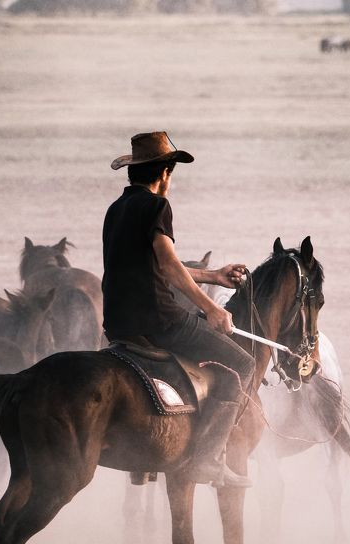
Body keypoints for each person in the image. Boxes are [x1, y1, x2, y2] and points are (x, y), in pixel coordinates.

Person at [103, 131, 255, 488]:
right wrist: (211, 309)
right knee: (242, 365)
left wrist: (213, 277)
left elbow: (155, 265)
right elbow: (170, 267)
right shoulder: (158, 206)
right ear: (165, 173)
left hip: (117, 323)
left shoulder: (116, 209)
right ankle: (207, 460)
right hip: (159, 320)